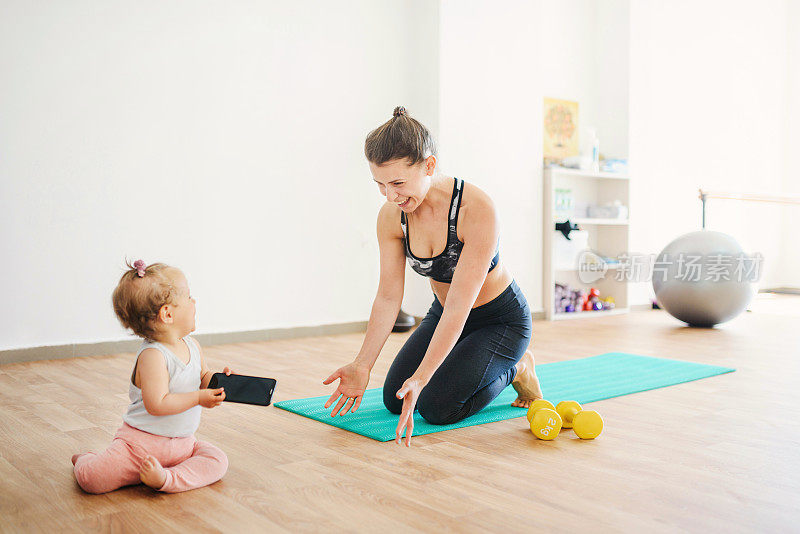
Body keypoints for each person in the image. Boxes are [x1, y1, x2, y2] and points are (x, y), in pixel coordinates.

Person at [324, 107, 542, 446]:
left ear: (429, 165)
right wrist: (362, 365)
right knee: (395, 399)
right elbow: (387, 297)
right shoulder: (392, 217)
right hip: (443, 314)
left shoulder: (476, 210)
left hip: (499, 321)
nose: (391, 196)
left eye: (398, 183)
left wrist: (423, 377)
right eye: (380, 185)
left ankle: (517, 366)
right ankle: (470, 366)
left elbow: (460, 306)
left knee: (437, 406)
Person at [71, 260, 231, 493]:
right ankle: (86, 460)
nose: (194, 302)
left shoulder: (192, 345)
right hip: (139, 449)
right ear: (167, 313)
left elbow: (203, 376)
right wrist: (198, 398)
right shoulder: (153, 355)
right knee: (94, 480)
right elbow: (157, 403)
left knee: (218, 461)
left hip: (184, 445)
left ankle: (166, 477)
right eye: (188, 297)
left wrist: (220, 382)